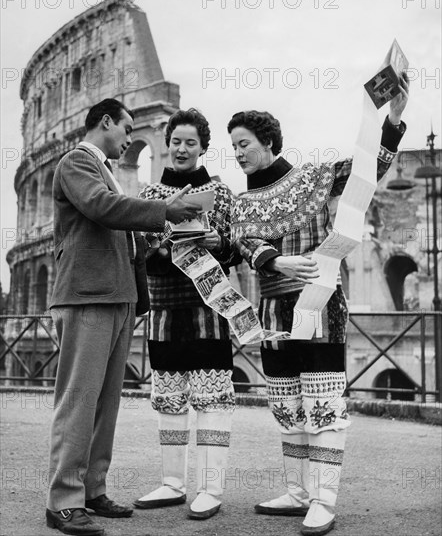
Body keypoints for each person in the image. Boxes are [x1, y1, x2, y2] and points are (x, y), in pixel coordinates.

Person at [228, 75, 409, 536]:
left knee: (323, 402)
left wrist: (391, 118)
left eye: (244, 143)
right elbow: (242, 242)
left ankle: (324, 500)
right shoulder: (243, 199)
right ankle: (298, 492)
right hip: (272, 313)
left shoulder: (314, 175)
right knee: (287, 405)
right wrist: (277, 260)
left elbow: (371, 168)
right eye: (233, 146)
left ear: (267, 141)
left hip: (321, 304)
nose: (237, 153)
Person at [46, 98, 200, 536]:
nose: (131, 138)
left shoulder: (106, 170)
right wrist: (163, 212)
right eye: (127, 128)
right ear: (106, 122)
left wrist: (156, 243)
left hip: (115, 296)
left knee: (105, 402)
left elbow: (120, 232)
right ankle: (63, 500)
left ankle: (91, 490)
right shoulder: (77, 162)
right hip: (87, 296)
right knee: (79, 400)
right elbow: (102, 208)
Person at [133, 108, 236, 520]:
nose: (181, 149)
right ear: (166, 145)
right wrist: (163, 247)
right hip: (163, 310)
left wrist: (216, 240)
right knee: (169, 398)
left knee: (211, 399)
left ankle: (210, 488)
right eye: (176, 141)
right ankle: (173, 484)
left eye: (190, 142)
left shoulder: (221, 192)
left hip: (208, 308)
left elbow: (234, 249)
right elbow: (140, 253)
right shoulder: (150, 196)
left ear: (203, 148)